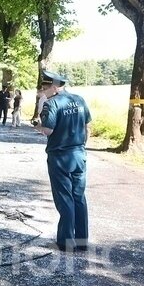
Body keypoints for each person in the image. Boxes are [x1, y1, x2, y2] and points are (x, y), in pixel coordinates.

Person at [34, 71, 92, 252]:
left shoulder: (51, 104)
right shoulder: (80, 99)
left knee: (64, 198)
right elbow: (87, 126)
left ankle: (66, 242)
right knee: (79, 197)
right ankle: (82, 241)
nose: (43, 91)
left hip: (60, 157)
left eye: (45, 88)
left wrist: (37, 123)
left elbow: (47, 131)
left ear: (54, 86)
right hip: (79, 154)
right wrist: (81, 146)